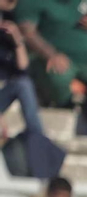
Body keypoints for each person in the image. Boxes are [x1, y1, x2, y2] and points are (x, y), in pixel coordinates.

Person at [13, 0, 87, 108]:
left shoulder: (84, 2)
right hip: (57, 60)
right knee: (59, 75)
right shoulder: (32, 2)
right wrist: (51, 54)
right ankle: (66, 105)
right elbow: (27, 32)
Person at [0, 14, 46, 161]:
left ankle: (38, 139)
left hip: (4, 92)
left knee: (24, 84)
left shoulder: (6, 39)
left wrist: (17, 40)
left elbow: (23, 69)